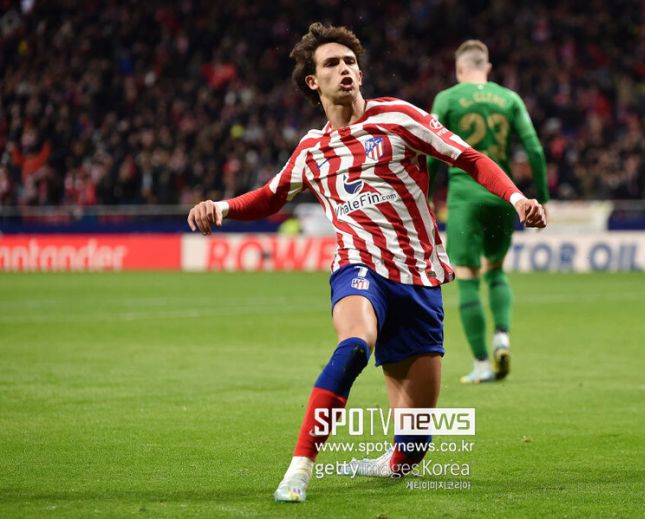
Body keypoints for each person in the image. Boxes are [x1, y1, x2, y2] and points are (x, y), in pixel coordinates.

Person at [187, 23, 546, 503]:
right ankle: (299, 469)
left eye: (350, 62)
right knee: (356, 344)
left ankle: (390, 459)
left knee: (412, 451)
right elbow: (271, 196)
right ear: (313, 81)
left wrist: (518, 198)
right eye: (332, 63)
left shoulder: (399, 117)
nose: (344, 69)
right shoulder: (312, 150)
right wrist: (222, 207)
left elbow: (470, 158)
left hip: (419, 276)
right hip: (359, 266)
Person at [426, 40, 549, 384]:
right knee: (495, 269)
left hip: (464, 198)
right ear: (488, 68)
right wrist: (542, 198)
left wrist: (427, 196)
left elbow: (431, 151)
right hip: (503, 197)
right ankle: (502, 337)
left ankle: (481, 363)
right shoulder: (510, 99)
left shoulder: (446, 99)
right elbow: (535, 150)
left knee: (467, 274)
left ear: (459, 69)